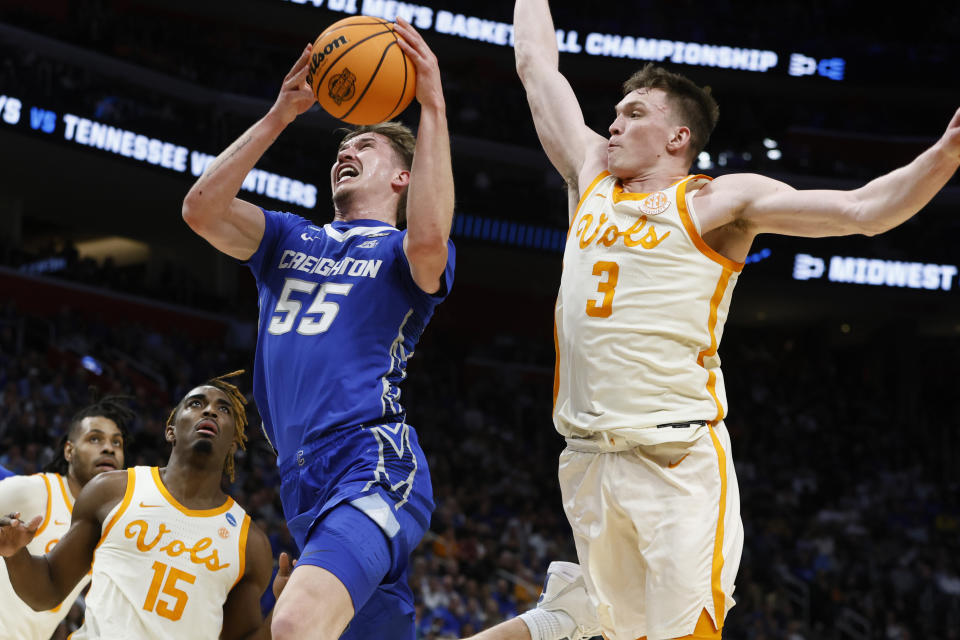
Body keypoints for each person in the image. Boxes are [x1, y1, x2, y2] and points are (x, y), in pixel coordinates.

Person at [510, 1, 960, 639]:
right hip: (586, 460)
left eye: (633, 113)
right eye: (612, 114)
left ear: (678, 138)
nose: (611, 125)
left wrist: (948, 150)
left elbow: (865, 210)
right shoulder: (590, 177)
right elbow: (536, 66)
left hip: (675, 460)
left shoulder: (718, 201)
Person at [180, 17, 455, 640]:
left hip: (370, 460)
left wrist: (432, 104)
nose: (345, 151)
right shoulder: (286, 237)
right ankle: (553, 622)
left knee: (296, 623)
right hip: (300, 481)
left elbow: (432, 236)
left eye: (366, 146)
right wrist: (280, 114)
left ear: (401, 178)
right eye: (341, 147)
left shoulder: (402, 253)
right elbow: (200, 209)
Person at [0, 373, 277, 639]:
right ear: (171, 430)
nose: (210, 411)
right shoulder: (111, 491)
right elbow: (48, 589)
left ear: (233, 443)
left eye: (224, 409)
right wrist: (16, 554)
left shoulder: (250, 544)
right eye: (196, 403)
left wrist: (280, 611)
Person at [0, 394, 131, 640]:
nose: (108, 448)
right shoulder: (35, 491)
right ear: (69, 451)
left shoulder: (109, 525)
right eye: (95, 439)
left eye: (117, 443)